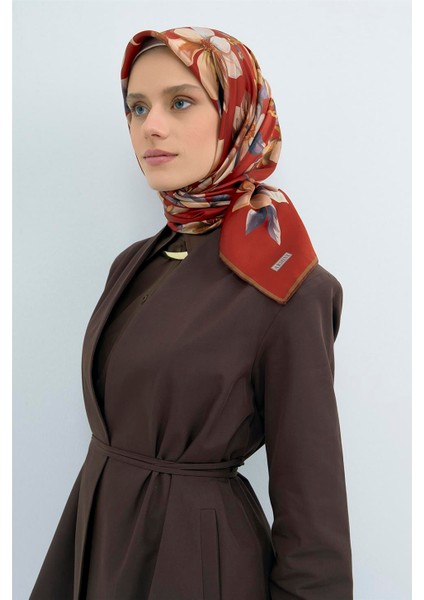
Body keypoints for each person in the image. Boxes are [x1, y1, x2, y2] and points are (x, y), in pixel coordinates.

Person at [29, 26, 353, 599]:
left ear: (238, 114)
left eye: (180, 102)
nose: (150, 126)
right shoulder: (134, 262)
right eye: (137, 107)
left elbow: (314, 517)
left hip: (194, 566)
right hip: (99, 543)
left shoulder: (287, 285)